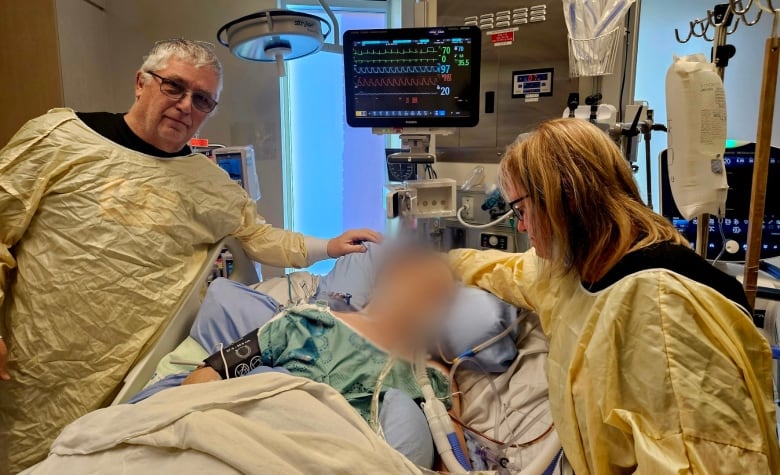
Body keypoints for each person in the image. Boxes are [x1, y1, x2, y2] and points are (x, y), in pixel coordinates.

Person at [0, 39, 379, 472]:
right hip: (33, 362)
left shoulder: (209, 183)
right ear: (141, 83)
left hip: (129, 376)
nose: (185, 105)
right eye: (174, 87)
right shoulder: (61, 138)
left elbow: (260, 237)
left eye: (202, 100)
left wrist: (330, 246)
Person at [449, 118, 780, 473]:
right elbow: (509, 272)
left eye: (521, 210)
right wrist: (438, 264)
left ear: (563, 199)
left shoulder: (662, 310)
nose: (521, 225)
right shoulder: (573, 267)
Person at [182, 246, 456, 468]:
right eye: (421, 284)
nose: (424, 300)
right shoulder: (305, 320)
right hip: (257, 447)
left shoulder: (434, 376)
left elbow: (456, 461)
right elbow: (211, 372)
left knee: (407, 416)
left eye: (438, 297)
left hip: (358, 461)